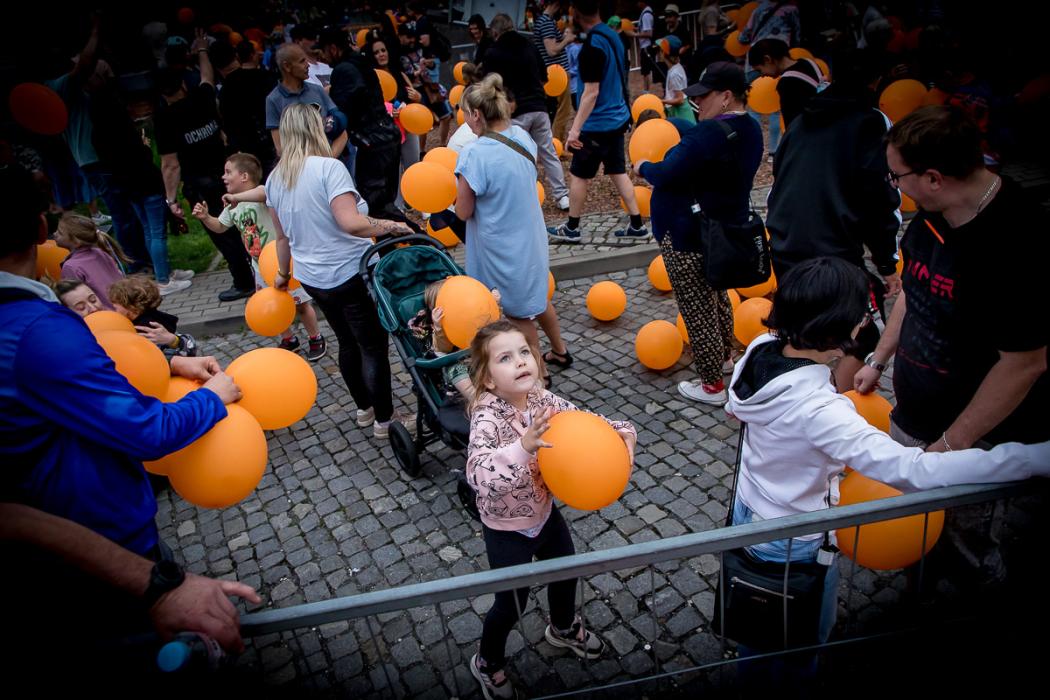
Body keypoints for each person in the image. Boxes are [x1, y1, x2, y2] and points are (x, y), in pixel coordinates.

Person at [725, 257, 1050, 687]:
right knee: (801, 644)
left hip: (748, 512)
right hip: (794, 538)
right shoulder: (821, 412)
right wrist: (1031, 459)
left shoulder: (759, 349)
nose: (867, 318)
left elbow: (734, 407)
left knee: (756, 630)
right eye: (863, 312)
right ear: (838, 330)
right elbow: (912, 469)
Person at [0, 164, 256, 684]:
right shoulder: (34, 329)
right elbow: (146, 431)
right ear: (39, 227)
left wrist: (169, 363)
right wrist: (211, 398)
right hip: (95, 548)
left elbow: (72, 388)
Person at [854, 106, 1050, 585]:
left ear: (934, 178)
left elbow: (1025, 363)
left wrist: (951, 446)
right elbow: (914, 289)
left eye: (897, 176)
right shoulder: (930, 217)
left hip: (973, 437)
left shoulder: (1019, 243)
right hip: (914, 411)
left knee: (967, 552)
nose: (894, 186)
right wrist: (879, 359)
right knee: (914, 527)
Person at [465, 319, 636, 699]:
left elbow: (586, 423)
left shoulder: (542, 399)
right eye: (505, 358)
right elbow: (477, 474)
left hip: (544, 514)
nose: (520, 361)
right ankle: (487, 662)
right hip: (506, 527)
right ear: (489, 379)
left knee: (565, 572)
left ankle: (562, 628)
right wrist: (522, 447)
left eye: (524, 351)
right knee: (511, 603)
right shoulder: (487, 417)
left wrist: (622, 431)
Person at [265, 104, 415, 439]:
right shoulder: (328, 169)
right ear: (314, 129)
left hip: (313, 278)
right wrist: (391, 226)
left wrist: (283, 274)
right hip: (349, 273)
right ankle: (385, 420)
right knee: (372, 346)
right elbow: (351, 223)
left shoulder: (275, 179)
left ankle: (364, 408)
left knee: (346, 341)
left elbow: (282, 237)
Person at [764, 54, 900, 391]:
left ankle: (794, 396)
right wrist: (887, 262)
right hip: (831, 249)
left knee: (800, 331)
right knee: (864, 333)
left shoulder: (800, 121)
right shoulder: (870, 123)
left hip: (785, 242)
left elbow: (779, 177)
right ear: (876, 82)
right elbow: (879, 197)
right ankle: (832, 401)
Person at [635, 62, 762, 405]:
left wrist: (642, 167)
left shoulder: (707, 134)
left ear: (726, 96)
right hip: (722, 231)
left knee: (697, 307)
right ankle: (725, 359)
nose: (697, 103)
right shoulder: (751, 128)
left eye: (704, 96)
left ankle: (711, 385)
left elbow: (665, 172)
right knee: (717, 296)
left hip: (687, 233)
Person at [455, 75, 574, 384]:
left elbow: (464, 211)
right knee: (537, 297)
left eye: (465, 113)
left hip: (502, 246)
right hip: (530, 236)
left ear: (477, 114)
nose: (464, 120)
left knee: (518, 314)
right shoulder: (521, 135)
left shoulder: (474, 154)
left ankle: (539, 376)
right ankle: (560, 351)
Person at [193, 152, 327, 360]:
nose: (223, 177)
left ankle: (315, 337)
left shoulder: (263, 196)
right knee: (272, 304)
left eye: (228, 172)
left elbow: (264, 192)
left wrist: (236, 198)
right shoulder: (232, 207)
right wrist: (205, 217)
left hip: (282, 262)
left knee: (300, 303)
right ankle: (288, 339)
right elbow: (220, 226)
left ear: (244, 176)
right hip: (259, 266)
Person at [155, 29, 255, 302]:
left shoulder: (164, 119)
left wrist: (171, 200)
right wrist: (201, 49)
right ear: (183, 84)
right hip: (228, 174)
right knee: (244, 223)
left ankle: (243, 281)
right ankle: (259, 270)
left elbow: (170, 165)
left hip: (201, 185)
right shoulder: (202, 97)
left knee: (222, 233)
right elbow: (208, 77)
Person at [549, 0, 646, 242]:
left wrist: (574, 130)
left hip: (596, 125)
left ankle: (572, 228)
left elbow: (591, 93)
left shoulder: (591, 47)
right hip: (616, 118)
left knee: (579, 175)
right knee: (617, 171)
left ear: (576, 13)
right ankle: (637, 224)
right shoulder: (612, 36)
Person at [481, 13, 571, 211]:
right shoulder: (530, 45)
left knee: (515, 156)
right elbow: (544, 77)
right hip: (538, 106)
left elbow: (488, 86)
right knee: (548, 153)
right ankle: (562, 195)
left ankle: (520, 197)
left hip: (513, 111)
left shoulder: (493, 53)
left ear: (495, 32)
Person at [321, 29, 404, 216]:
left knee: (377, 205)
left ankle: (414, 233)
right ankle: (399, 233)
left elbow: (346, 108)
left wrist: (329, 111)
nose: (324, 58)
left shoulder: (344, 69)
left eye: (324, 52)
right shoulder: (360, 62)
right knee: (384, 202)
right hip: (386, 135)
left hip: (373, 141)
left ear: (333, 48)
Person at [408, 279, 501, 403]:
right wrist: (439, 328)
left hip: (480, 357)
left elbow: (489, 326)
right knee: (456, 369)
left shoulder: (465, 315)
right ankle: (477, 400)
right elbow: (442, 349)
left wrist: (493, 305)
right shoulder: (434, 328)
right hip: (456, 366)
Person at [738, 0, 802, 160]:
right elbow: (797, 37)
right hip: (777, 60)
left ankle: (755, 148)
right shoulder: (791, 9)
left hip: (753, 63)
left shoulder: (758, 9)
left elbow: (743, 37)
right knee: (776, 108)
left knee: (753, 106)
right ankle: (774, 150)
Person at [367, 37, 425, 212]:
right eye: (376, 52)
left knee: (413, 164)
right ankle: (398, 205)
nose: (381, 54)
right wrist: (387, 110)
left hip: (408, 125)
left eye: (383, 50)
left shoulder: (400, 75)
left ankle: (418, 200)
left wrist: (418, 98)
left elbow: (415, 100)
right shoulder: (371, 78)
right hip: (386, 130)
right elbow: (370, 105)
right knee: (393, 169)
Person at [265, 43, 349, 161]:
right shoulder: (274, 100)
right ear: (287, 66)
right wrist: (307, 165)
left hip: (330, 161)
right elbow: (280, 148)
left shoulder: (318, 90)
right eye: (302, 61)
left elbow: (342, 130)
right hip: (299, 165)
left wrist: (327, 160)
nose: (308, 65)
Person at [217, 39, 279, 173]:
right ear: (252, 55)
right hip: (270, 139)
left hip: (246, 146)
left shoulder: (226, 87)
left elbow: (227, 120)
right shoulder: (267, 78)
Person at [107, 275, 199, 359]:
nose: (113, 311)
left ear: (131, 307)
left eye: (115, 307)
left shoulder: (146, 328)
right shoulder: (157, 317)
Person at [55, 212, 133, 306]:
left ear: (76, 242)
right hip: (126, 305)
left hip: (103, 312)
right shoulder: (100, 252)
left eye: (60, 233)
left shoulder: (71, 267)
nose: (55, 234)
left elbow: (74, 300)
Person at [747, 37, 824, 128]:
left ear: (767, 59)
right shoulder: (810, 63)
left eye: (759, 70)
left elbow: (792, 124)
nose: (762, 75)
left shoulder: (786, 83)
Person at [533, 1, 577, 143]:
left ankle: (554, 142)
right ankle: (557, 143)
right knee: (564, 110)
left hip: (554, 72)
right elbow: (551, 50)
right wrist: (567, 40)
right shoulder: (546, 23)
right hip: (558, 73)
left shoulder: (542, 21)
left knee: (555, 110)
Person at [660, 36, 694, 123]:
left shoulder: (674, 74)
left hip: (680, 114)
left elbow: (680, 99)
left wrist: (662, 101)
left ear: (663, 53)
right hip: (680, 112)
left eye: (660, 50)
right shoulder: (676, 67)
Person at [623, 2, 656, 90]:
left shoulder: (646, 15)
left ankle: (647, 91)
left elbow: (649, 33)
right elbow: (645, 28)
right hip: (645, 46)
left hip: (646, 46)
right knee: (645, 71)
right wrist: (635, 29)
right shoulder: (646, 13)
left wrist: (634, 34)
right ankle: (646, 89)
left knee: (646, 71)